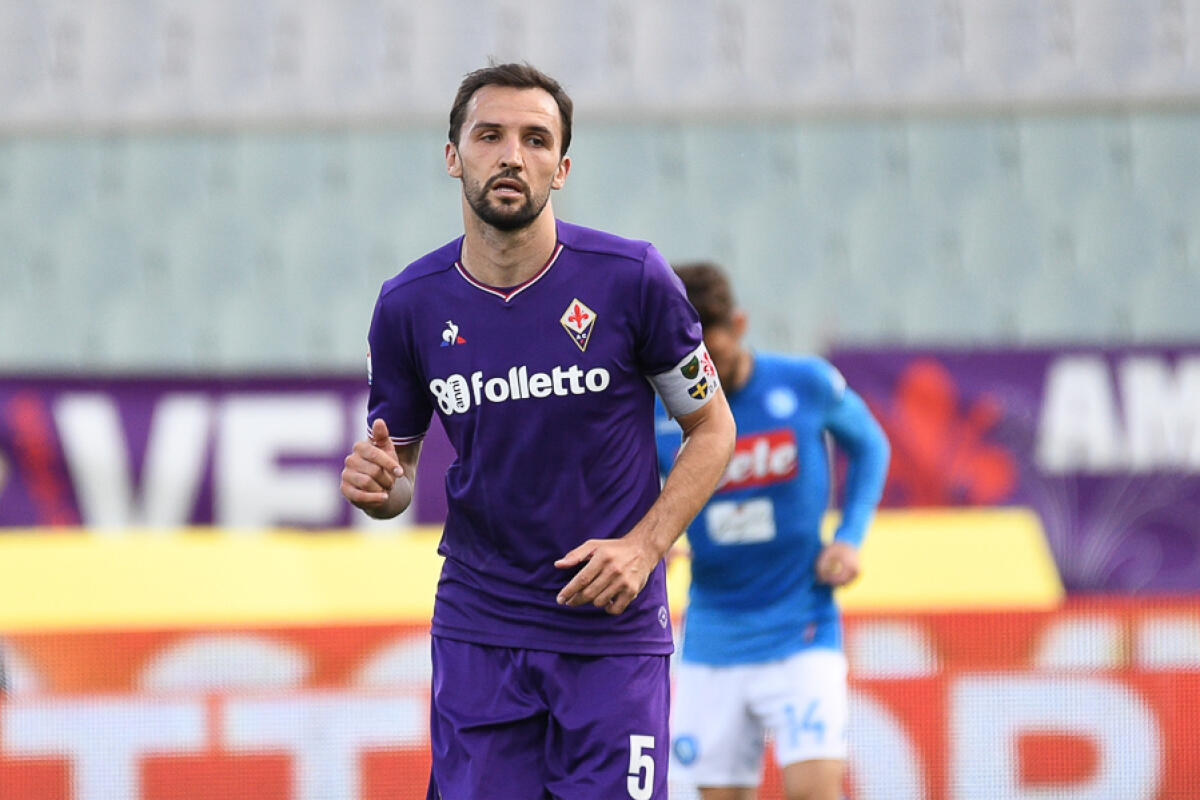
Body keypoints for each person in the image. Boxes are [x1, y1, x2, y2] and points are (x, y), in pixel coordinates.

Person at [339, 63, 736, 800]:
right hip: (481, 629)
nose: (512, 156)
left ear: (563, 166)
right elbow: (398, 474)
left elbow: (712, 429)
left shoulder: (633, 278)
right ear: (453, 155)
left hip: (611, 630)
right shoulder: (408, 306)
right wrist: (379, 487)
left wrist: (645, 546)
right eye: (489, 135)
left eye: (536, 139)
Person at [655, 263, 890, 800]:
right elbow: (625, 484)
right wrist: (651, 538)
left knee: (813, 792)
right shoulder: (660, 409)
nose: (702, 372)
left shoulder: (804, 382)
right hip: (713, 635)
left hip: (801, 626)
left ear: (739, 325)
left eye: (712, 354)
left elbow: (870, 444)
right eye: (690, 360)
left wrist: (850, 537)